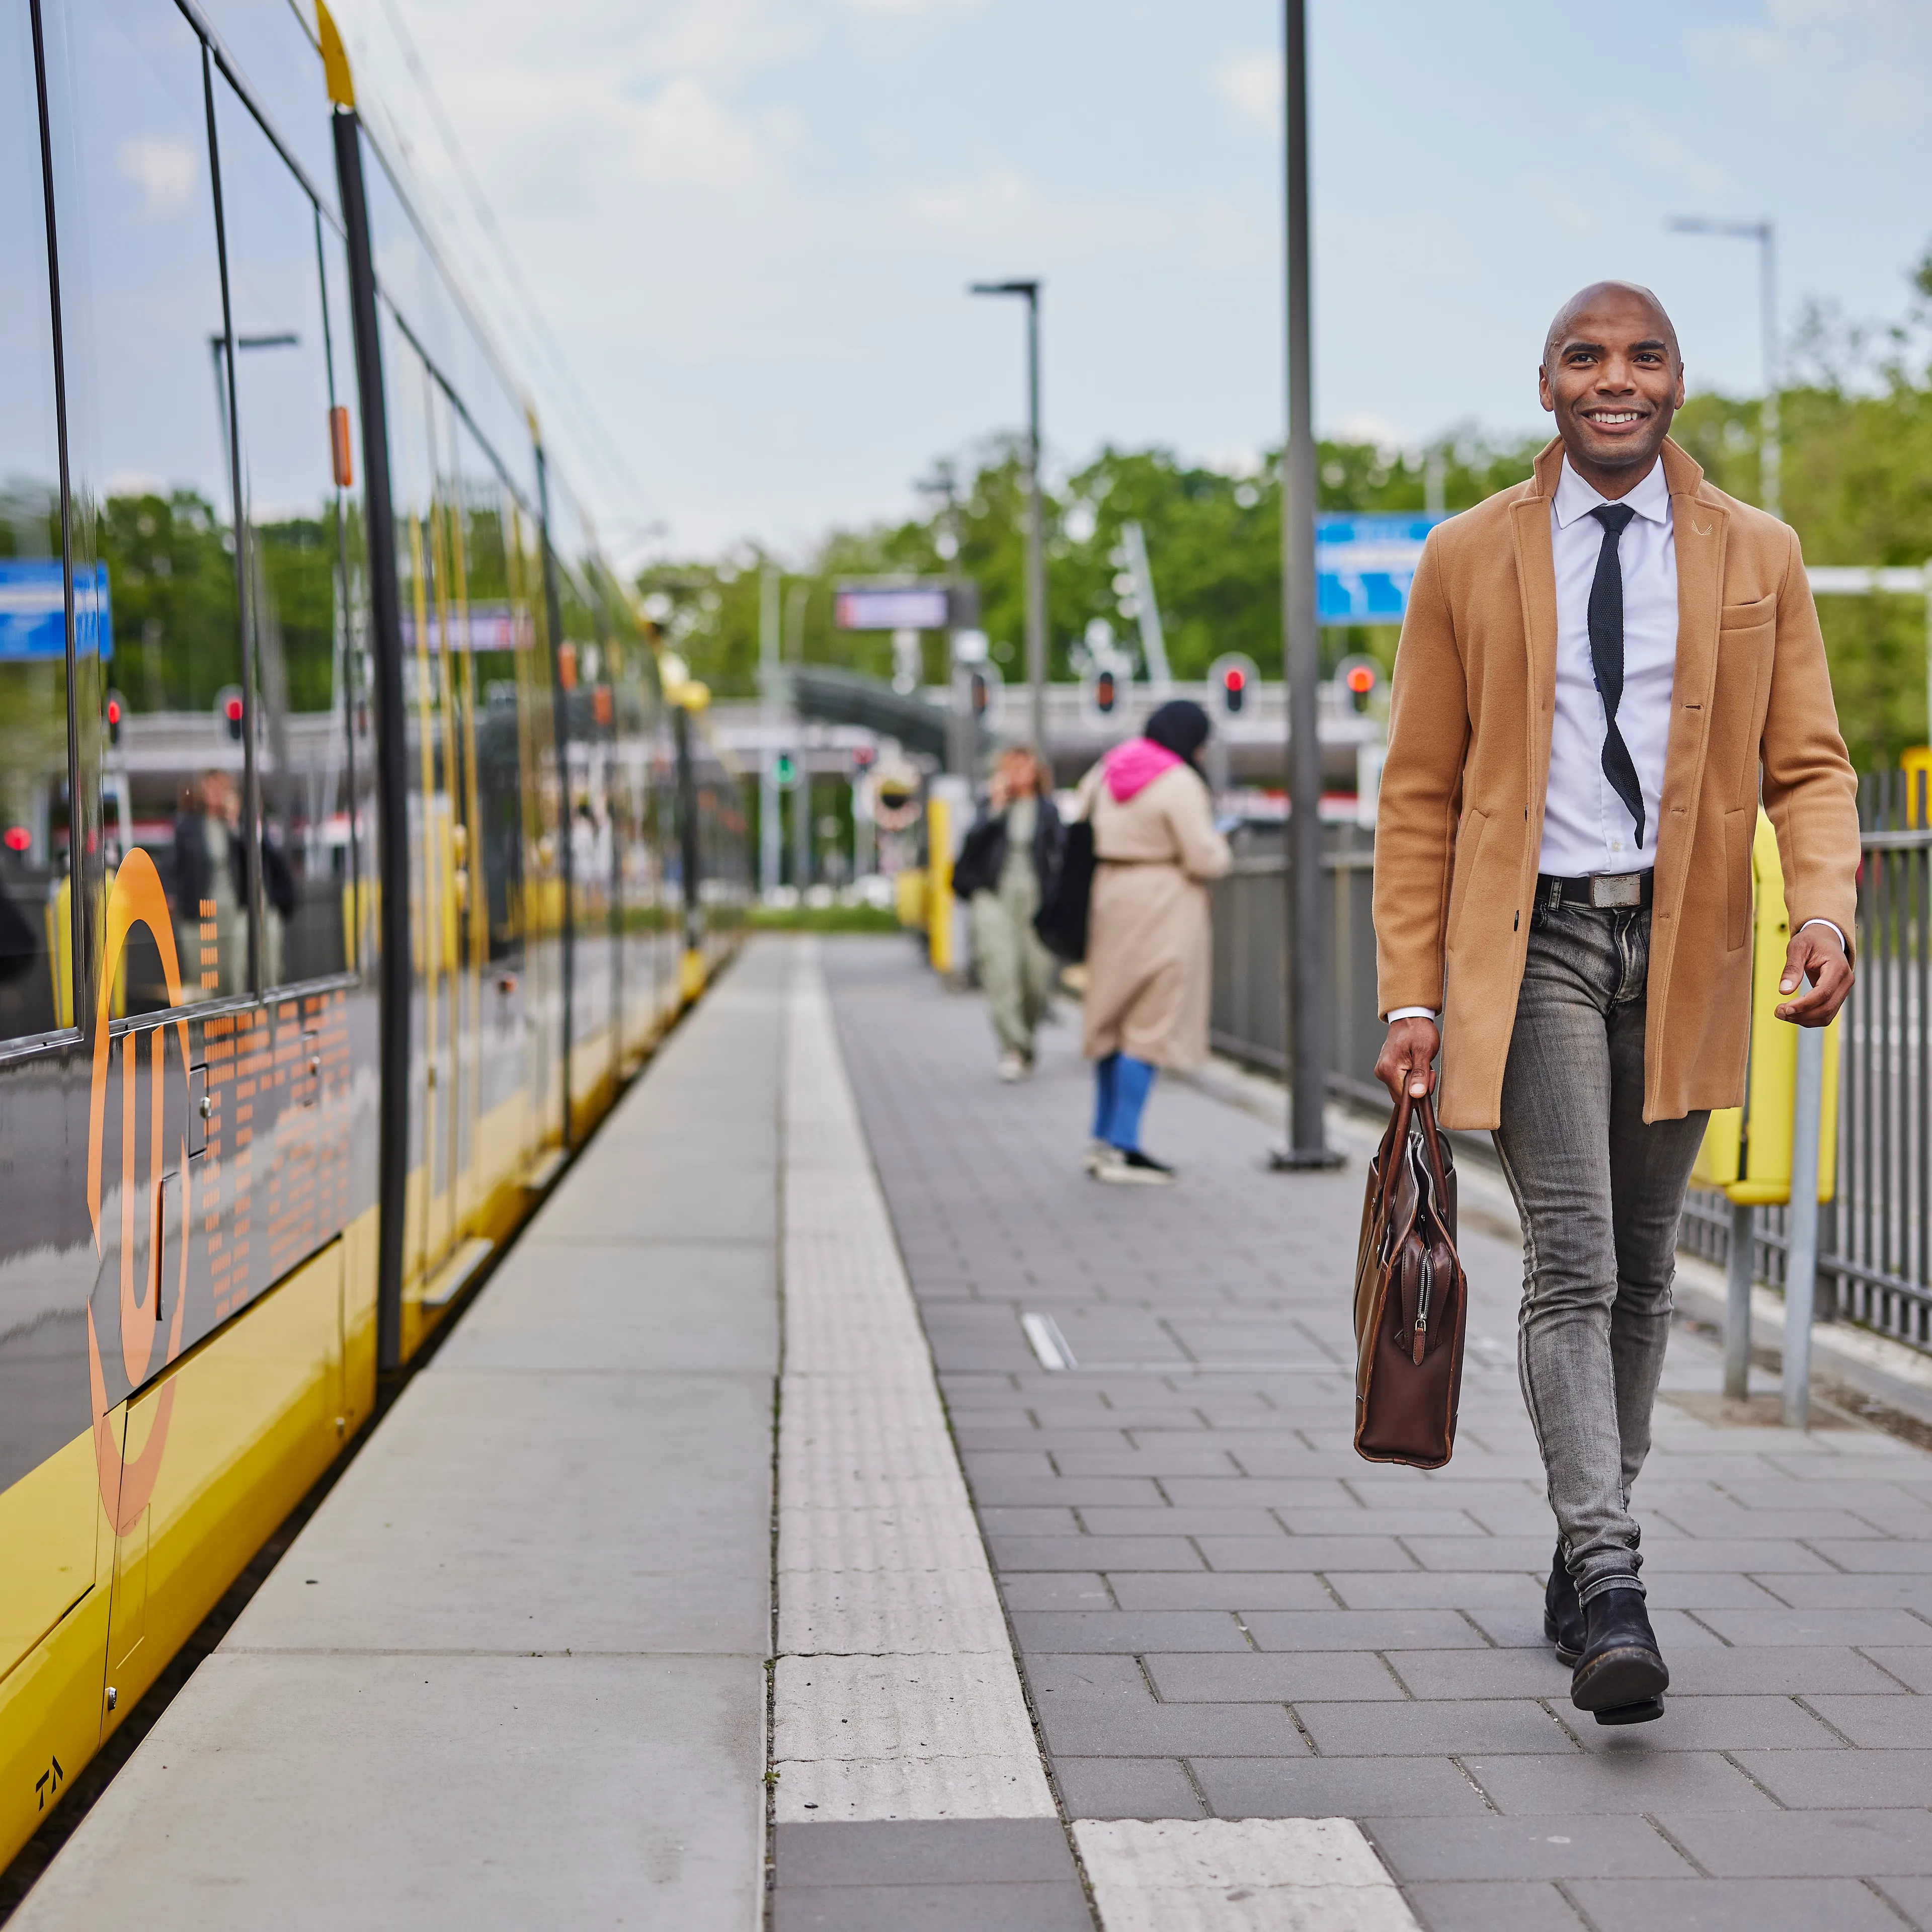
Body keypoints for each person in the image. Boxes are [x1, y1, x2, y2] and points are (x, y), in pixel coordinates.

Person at [1372, 281, 1859, 1726]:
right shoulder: (1467, 554)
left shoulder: (1757, 551)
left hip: (1688, 943)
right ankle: (1609, 1571)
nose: (1614, 378)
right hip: (1534, 948)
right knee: (1573, 1263)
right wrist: (1409, 993)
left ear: (1677, 383)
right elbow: (1416, 793)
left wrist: (1822, 907)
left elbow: (1811, 766)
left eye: (1642, 357)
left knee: (1647, 1272)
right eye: (1585, 357)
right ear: (1546, 387)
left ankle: (1585, 1543)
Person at [1075, 698, 1231, 1183]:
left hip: (1109, 895)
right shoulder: (1179, 781)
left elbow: (1079, 820)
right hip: (1164, 902)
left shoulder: (1107, 768)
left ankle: (1100, 1139)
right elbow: (1203, 858)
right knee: (1148, 1024)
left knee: (1111, 1020)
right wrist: (1223, 845)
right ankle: (1124, 1147)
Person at [954, 744, 1063, 1080]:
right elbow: (969, 852)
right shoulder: (990, 808)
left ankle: (1026, 1042)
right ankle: (1013, 1048)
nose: (1016, 775)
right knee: (1001, 973)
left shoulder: (1047, 811)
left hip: (1035, 898)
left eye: (1023, 768)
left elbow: (1060, 856)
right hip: (994, 895)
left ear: (1036, 772)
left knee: (1035, 978)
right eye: (1009, 768)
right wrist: (994, 811)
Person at [169, 768, 296, 995]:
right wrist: (173, 895)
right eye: (211, 787)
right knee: (205, 976)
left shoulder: (239, 826)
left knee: (235, 973)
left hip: (235, 910)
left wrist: (236, 825)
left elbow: (261, 861)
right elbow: (174, 864)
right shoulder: (189, 827)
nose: (216, 793)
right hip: (202, 911)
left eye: (222, 788)